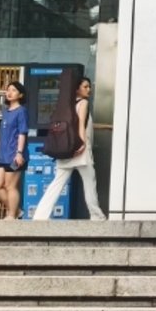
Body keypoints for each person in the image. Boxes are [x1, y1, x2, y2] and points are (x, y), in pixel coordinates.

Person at [32, 73, 102, 222]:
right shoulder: (83, 103)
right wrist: (82, 144)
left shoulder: (66, 105)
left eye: (89, 87)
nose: (88, 89)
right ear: (76, 89)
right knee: (90, 183)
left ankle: (40, 215)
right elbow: (81, 124)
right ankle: (96, 215)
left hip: (66, 150)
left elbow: (82, 123)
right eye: (85, 87)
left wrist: (104, 127)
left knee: (57, 183)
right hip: (80, 151)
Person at [0, 81, 28, 221]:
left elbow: (22, 133)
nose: (9, 92)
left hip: (14, 155)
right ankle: (17, 211)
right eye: (8, 90)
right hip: (2, 155)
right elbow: (1, 133)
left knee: (10, 186)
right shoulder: (5, 111)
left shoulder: (21, 111)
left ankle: (11, 214)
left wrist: (19, 153)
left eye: (14, 90)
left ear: (20, 94)